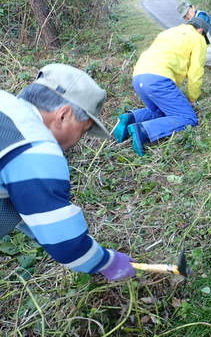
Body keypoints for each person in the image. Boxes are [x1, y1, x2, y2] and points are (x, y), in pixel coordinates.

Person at [0, 64, 135, 281]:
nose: (77, 141)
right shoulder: (34, 146)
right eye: (82, 131)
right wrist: (106, 262)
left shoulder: (6, 108)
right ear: (63, 115)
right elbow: (65, 244)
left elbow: (22, 204)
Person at [113, 17, 209, 156]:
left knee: (163, 111)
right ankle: (143, 130)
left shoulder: (168, 32)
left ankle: (131, 118)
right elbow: (196, 72)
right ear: (200, 30)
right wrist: (192, 98)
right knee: (188, 118)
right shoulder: (197, 38)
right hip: (158, 79)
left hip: (138, 76)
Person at [177, 1, 211, 71]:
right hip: (210, 50)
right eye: (184, 16)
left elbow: (197, 32)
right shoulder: (193, 21)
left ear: (192, 7)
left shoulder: (201, 15)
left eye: (187, 13)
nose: (187, 17)